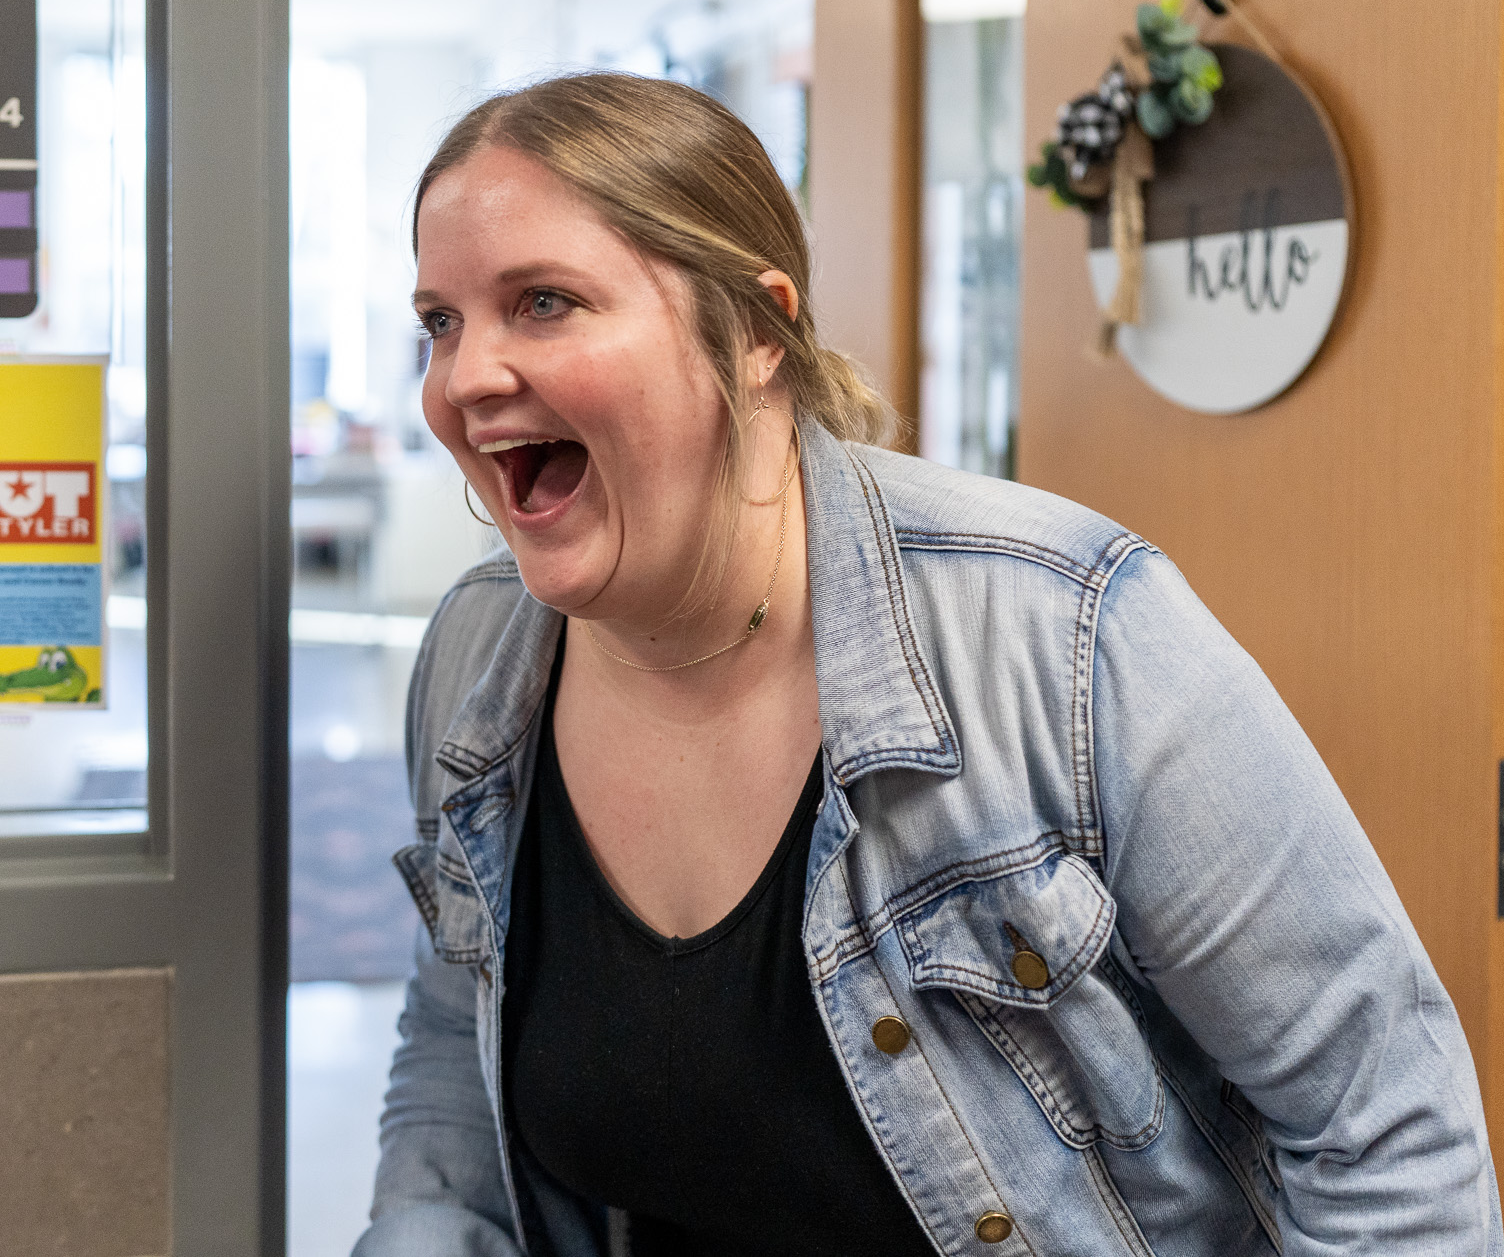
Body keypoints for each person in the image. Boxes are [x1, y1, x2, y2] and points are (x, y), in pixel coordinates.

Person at [358, 72, 1499, 1256]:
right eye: (439, 322)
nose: (464, 378)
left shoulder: (1062, 629)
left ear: (753, 332)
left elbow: (1384, 1128)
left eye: (541, 303)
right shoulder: (479, 657)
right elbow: (455, 1021)